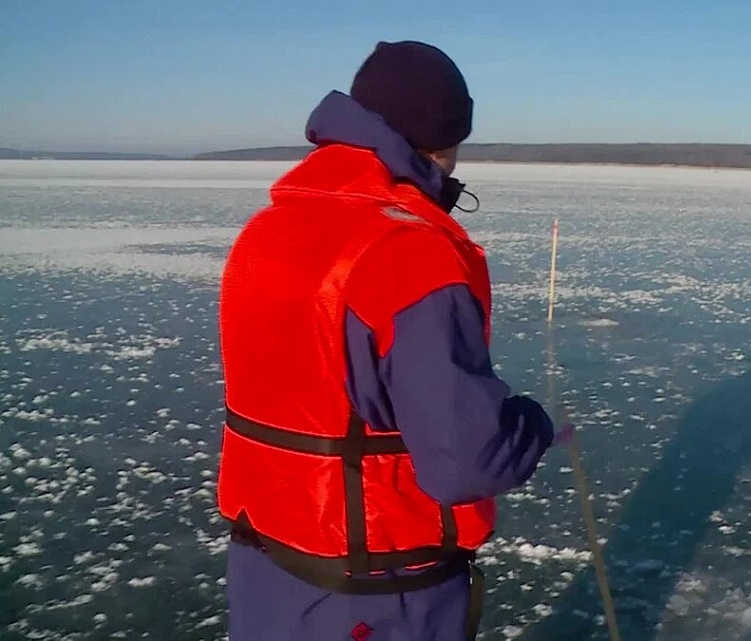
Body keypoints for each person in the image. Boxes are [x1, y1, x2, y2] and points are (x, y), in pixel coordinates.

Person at [216, 40, 570, 641]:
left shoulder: (270, 228)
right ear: (446, 136)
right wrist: (533, 427)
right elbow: (467, 461)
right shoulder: (409, 255)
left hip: (267, 574)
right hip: (377, 597)